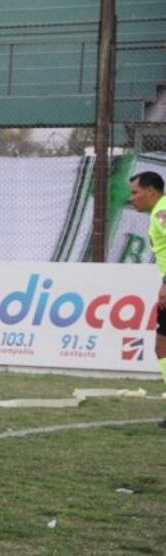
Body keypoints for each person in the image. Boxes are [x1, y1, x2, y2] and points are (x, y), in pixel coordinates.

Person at [128, 170, 166, 429]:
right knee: (162, 348)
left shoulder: (161, 213)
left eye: (135, 192)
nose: (132, 198)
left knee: (162, 348)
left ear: (151, 191)